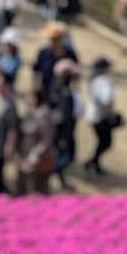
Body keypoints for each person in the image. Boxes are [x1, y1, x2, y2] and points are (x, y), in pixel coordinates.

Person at [48, 58, 82, 191]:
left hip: (58, 129)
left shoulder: (56, 87)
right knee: (67, 155)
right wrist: (64, 137)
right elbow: (66, 118)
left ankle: (57, 175)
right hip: (63, 131)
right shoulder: (67, 94)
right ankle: (56, 174)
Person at [83, 58, 119, 177]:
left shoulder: (94, 80)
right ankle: (91, 163)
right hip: (101, 118)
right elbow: (107, 100)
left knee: (102, 142)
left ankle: (94, 164)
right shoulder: (104, 81)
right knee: (105, 142)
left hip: (92, 116)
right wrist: (112, 114)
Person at [17, 87, 56, 195]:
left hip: (39, 159)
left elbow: (46, 139)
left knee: (38, 190)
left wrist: (35, 155)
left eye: (29, 97)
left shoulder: (44, 114)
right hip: (27, 155)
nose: (27, 99)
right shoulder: (31, 112)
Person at [33, 21, 79, 93]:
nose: (53, 41)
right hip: (46, 90)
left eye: (57, 38)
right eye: (52, 38)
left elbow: (76, 75)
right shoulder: (43, 52)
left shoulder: (70, 54)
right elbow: (36, 72)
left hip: (63, 94)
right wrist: (35, 89)